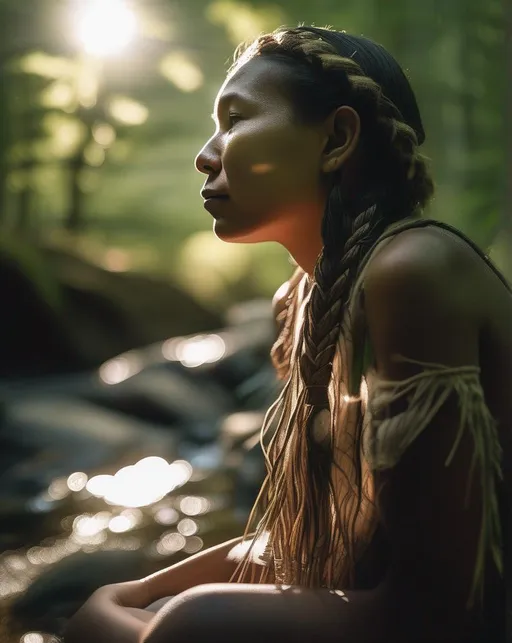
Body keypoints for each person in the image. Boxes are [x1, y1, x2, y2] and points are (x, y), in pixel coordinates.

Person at [63, 25, 511, 643]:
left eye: (235, 119)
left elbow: (445, 614)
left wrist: (155, 628)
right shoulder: (309, 299)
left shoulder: (413, 273)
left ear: (337, 138)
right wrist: (139, 592)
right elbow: (332, 543)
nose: (206, 153)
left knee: (191, 623)